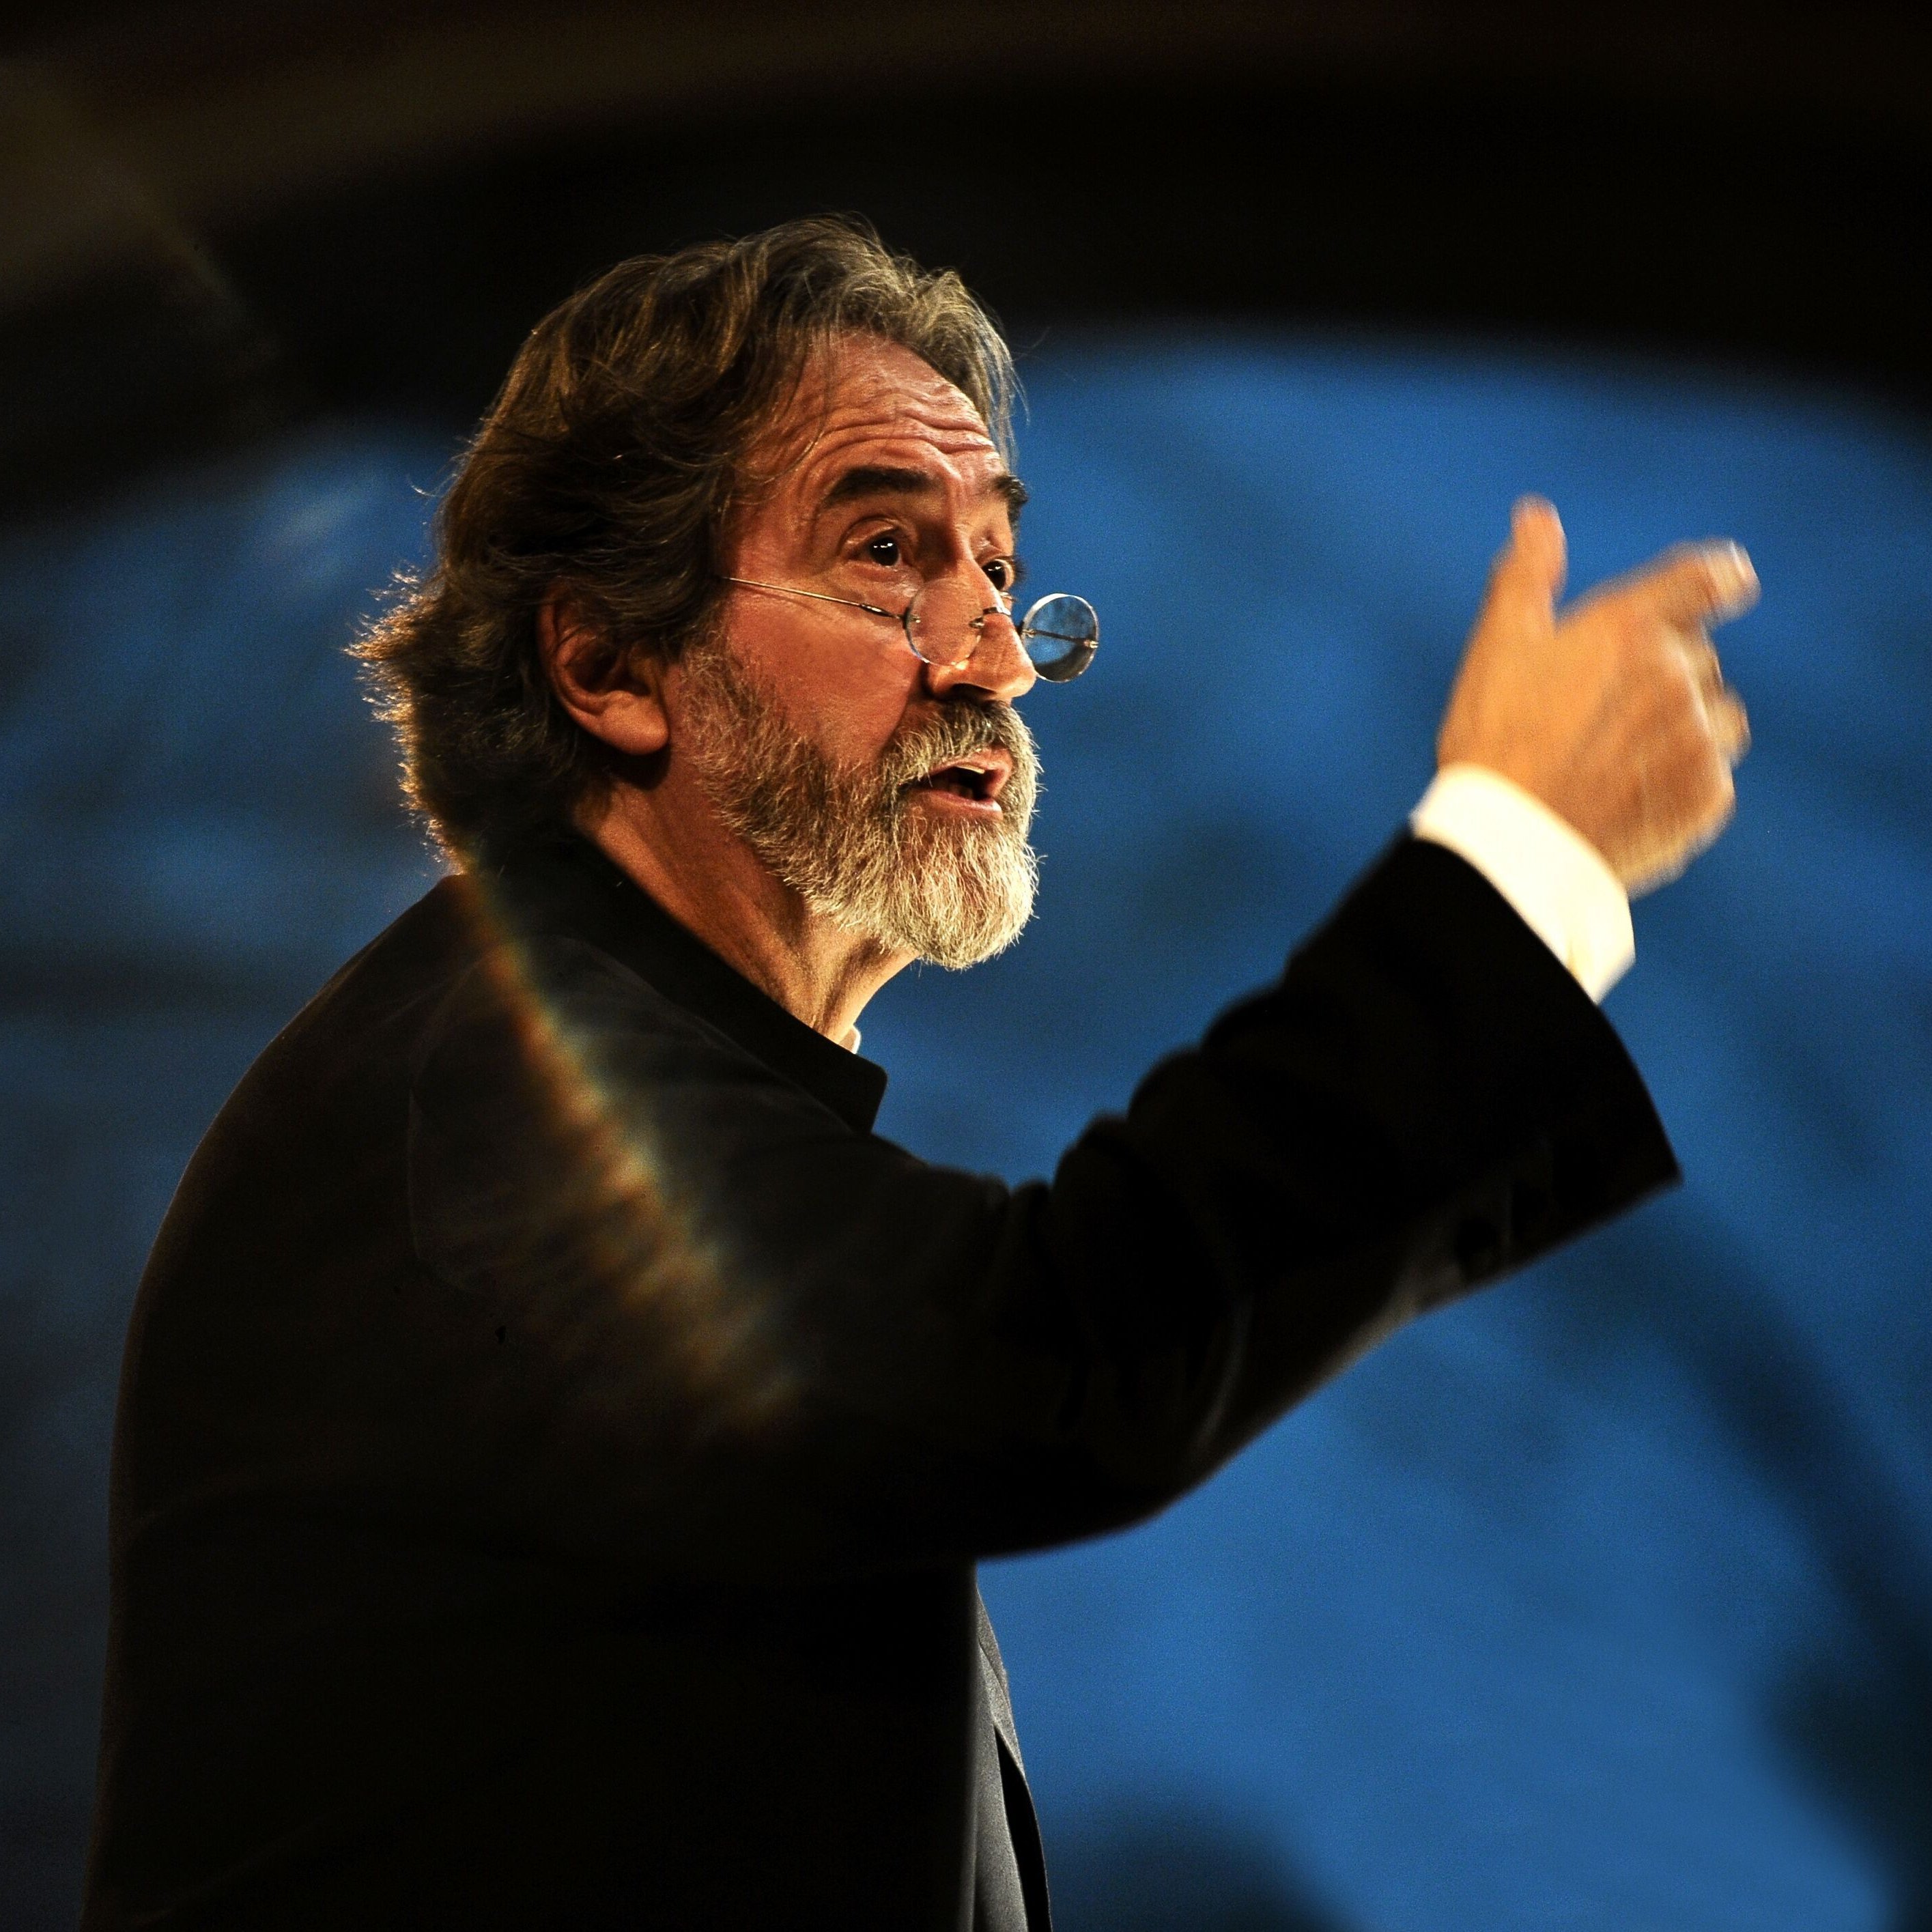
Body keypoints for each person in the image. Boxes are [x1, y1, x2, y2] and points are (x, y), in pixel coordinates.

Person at [81, 216, 1755, 1931]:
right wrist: (1514, 853)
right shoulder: (480, 1089)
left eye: (999, 570)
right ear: (606, 664)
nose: (993, 655)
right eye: (886, 554)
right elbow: (1061, 1349)